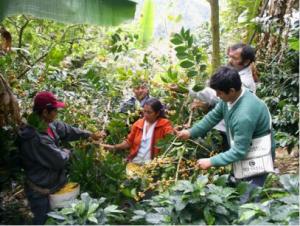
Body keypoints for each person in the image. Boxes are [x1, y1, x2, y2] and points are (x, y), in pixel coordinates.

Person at [176, 66, 275, 202]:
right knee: (238, 187)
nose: (216, 96)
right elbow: (212, 117)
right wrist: (190, 132)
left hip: (258, 157)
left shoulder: (244, 115)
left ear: (232, 90)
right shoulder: (229, 99)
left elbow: (239, 151)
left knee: (249, 200)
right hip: (247, 149)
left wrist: (211, 161)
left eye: (219, 92)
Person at [18, 91, 104, 224]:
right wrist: (68, 151)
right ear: (45, 112)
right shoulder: (35, 138)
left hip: (54, 185)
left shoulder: (49, 125)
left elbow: (68, 130)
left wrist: (89, 135)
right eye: (55, 110)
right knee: (43, 221)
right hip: (41, 192)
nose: (57, 113)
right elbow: (59, 160)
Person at [102, 98, 173, 164]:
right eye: (144, 111)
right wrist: (114, 147)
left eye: (149, 112)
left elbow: (171, 140)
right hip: (134, 163)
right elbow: (129, 142)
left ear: (157, 113)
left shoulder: (164, 124)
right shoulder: (138, 124)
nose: (146, 115)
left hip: (152, 165)